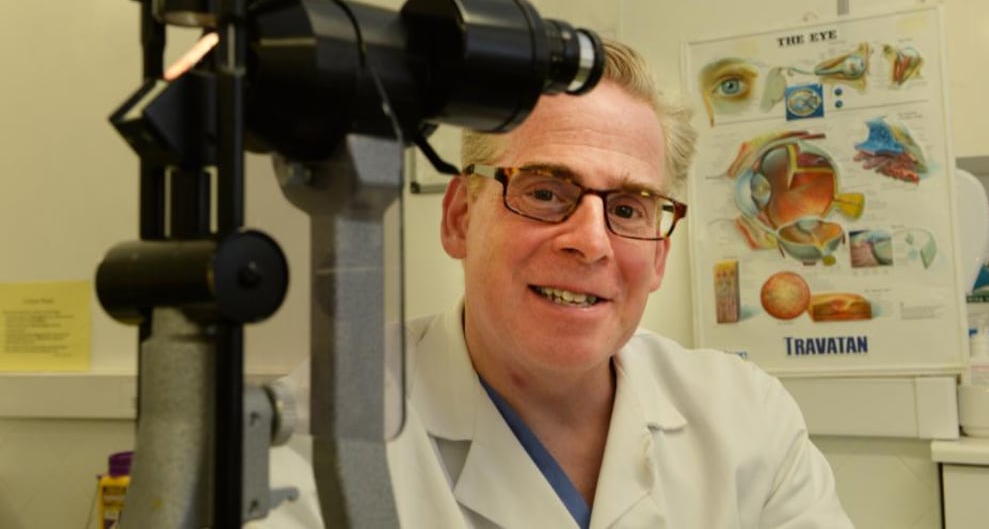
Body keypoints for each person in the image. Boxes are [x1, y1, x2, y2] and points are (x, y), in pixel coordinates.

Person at [259, 38, 854, 528]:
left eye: (628, 208)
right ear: (460, 217)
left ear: (660, 255)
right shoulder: (314, 431)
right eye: (544, 192)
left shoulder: (747, 419)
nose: (591, 242)